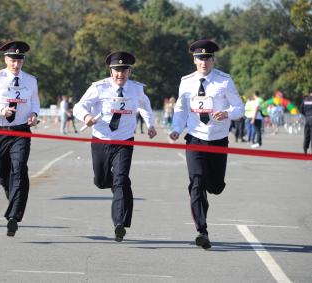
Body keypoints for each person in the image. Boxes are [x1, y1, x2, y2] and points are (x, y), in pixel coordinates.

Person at [73, 51, 157, 242]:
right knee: (101, 181)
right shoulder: (98, 88)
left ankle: (119, 223)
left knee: (120, 179)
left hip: (124, 141)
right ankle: (120, 186)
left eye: (124, 70)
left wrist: (150, 125)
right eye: (117, 71)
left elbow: (145, 106)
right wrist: (86, 117)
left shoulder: (136, 89)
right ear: (111, 71)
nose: (120, 75)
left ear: (130, 71)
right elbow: (79, 106)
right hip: (101, 139)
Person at [169, 40, 244, 249]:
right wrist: (176, 129)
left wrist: (227, 113)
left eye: (208, 58)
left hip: (218, 139)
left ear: (213, 59)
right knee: (197, 182)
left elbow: (240, 108)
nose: (204, 61)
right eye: (200, 58)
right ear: (194, 60)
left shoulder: (224, 81)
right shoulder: (186, 82)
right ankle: (202, 231)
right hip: (195, 138)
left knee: (216, 186)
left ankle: (210, 187)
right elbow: (181, 108)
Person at [0, 40, 40, 237]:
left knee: (19, 169)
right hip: (0, 131)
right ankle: (13, 195)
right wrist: (0, 110)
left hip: (21, 132)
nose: (16, 63)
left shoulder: (30, 80)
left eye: (19, 59)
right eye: (12, 59)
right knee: (3, 174)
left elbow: (35, 103)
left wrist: (34, 115)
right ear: (5, 59)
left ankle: (13, 216)